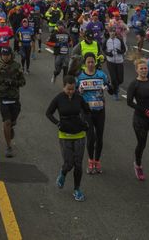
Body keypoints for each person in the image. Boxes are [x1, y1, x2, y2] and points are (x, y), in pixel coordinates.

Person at [46, 74, 90, 202]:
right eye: (68, 89)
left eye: (73, 89)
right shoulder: (59, 98)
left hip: (79, 134)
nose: (71, 91)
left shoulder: (79, 97)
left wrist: (85, 122)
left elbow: (87, 111)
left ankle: (77, 189)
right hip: (65, 135)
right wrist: (58, 123)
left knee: (78, 164)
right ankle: (63, 173)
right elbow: (48, 113)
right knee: (69, 163)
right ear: (63, 87)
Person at [0, 47, 26, 158]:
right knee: (6, 122)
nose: (5, 57)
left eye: (7, 55)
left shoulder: (17, 66)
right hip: (2, 98)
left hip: (15, 98)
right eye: (3, 55)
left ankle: (11, 125)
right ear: (1, 55)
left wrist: (12, 82)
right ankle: (8, 146)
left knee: (12, 121)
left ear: (11, 55)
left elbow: (23, 82)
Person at [126, 57, 149, 188]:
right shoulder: (134, 84)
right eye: (141, 68)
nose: (144, 70)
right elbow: (129, 102)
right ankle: (138, 164)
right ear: (137, 70)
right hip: (140, 119)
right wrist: (145, 111)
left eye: (145, 68)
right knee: (142, 144)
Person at [76, 53, 110, 174]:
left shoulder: (101, 75)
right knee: (91, 137)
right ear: (84, 63)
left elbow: (110, 87)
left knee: (100, 137)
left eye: (92, 62)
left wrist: (106, 87)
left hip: (100, 110)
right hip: (86, 112)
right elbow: (72, 92)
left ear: (95, 62)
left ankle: (97, 161)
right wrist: (78, 90)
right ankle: (90, 160)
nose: (90, 64)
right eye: (88, 62)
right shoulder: (79, 76)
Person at [102, 26, 126, 100]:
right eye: (111, 31)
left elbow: (124, 49)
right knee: (114, 79)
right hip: (110, 62)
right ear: (109, 32)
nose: (112, 33)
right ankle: (116, 93)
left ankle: (116, 86)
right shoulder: (106, 40)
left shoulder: (119, 40)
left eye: (113, 31)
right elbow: (103, 49)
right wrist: (108, 53)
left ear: (115, 32)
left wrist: (120, 52)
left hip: (119, 61)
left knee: (120, 79)